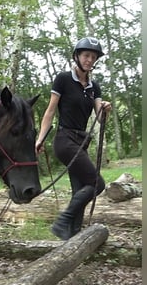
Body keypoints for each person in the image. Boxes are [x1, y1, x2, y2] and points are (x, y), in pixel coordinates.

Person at [35, 37, 112, 240]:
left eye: (93, 57)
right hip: (64, 140)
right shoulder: (63, 79)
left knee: (80, 189)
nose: (89, 59)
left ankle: (73, 237)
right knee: (97, 184)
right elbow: (50, 112)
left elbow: (99, 114)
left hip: (81, 143)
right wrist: (40, 139)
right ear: (77, 56)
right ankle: (62, 222)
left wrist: (105, 109)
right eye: (86, 55)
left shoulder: (94, 86)